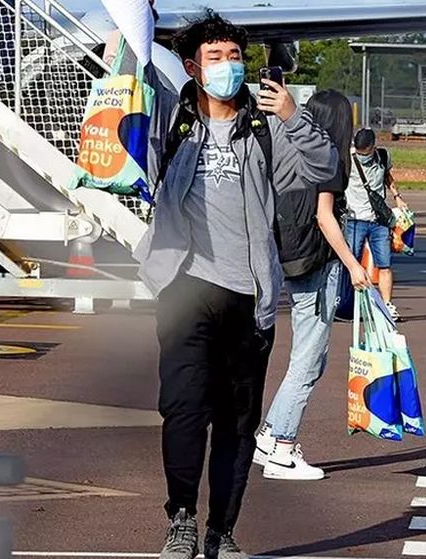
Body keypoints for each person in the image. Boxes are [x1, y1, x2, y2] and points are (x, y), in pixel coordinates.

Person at [107, 6, 338, 558]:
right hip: (183, 289)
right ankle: (182, 518)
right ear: (192, 66)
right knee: (184, 410)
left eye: (235, 57)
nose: (228, 66)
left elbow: (325, 168)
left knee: (237, 423)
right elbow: (124, 128)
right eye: (216, 57)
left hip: (248, 294)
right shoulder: (173, 116)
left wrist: (291, 116)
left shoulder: (264, 128)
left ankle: (222, 531)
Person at [254, 90, 373, 480]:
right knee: (307, 360)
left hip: (290, 258)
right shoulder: (326, 156)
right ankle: (283, 448)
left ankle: (270, 434)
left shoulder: (287, 148)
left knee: (310, 359)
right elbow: (325, 216)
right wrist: (353, 264)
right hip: (318, 264)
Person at [345, 128, 406, 319]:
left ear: (374, 147)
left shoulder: (383, 156)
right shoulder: (347, 159)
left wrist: (397, 197)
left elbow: (388, 176)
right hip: (355, 218)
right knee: (351, 262)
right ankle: (349, 304)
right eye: (360, 151)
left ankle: (387, 305)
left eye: (366, 152)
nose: (363, 155)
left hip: (378, 220)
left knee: (385, 264)